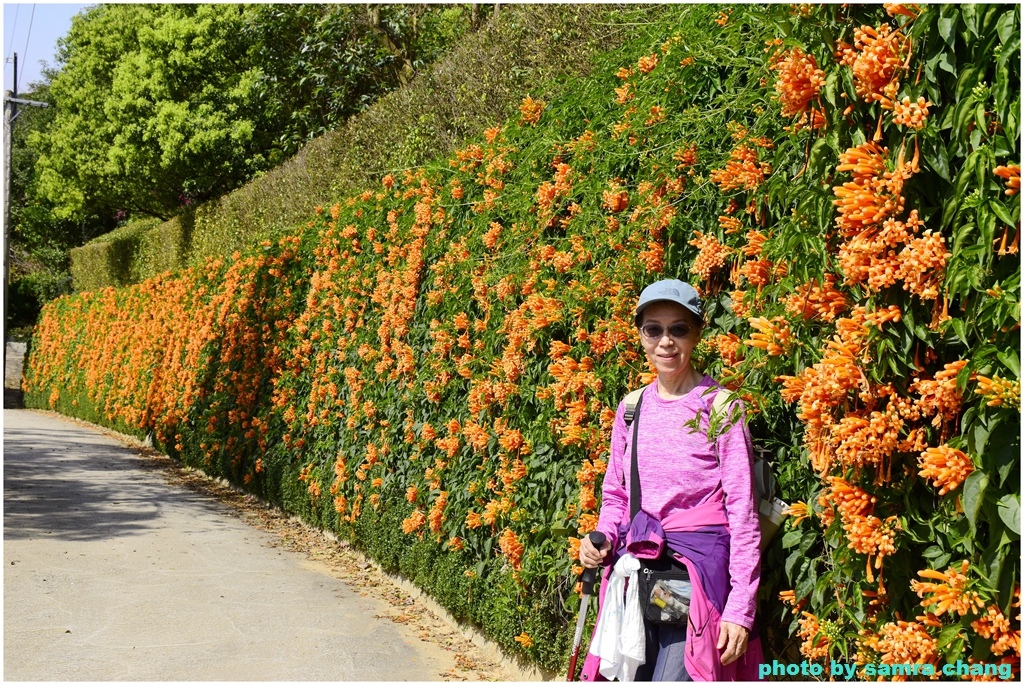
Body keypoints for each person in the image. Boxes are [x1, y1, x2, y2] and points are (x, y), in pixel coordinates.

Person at [578, 278, 762, 682]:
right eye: (653, 329)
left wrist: (739, 609)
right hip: (640, 574)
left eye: (678, 328)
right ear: (641, 336)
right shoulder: (631, 408)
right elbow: (615, 495)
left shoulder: (721, 408)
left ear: (697, 333)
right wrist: (602, 537)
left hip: (695, 580)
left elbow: (743, 514)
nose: (666, 341)